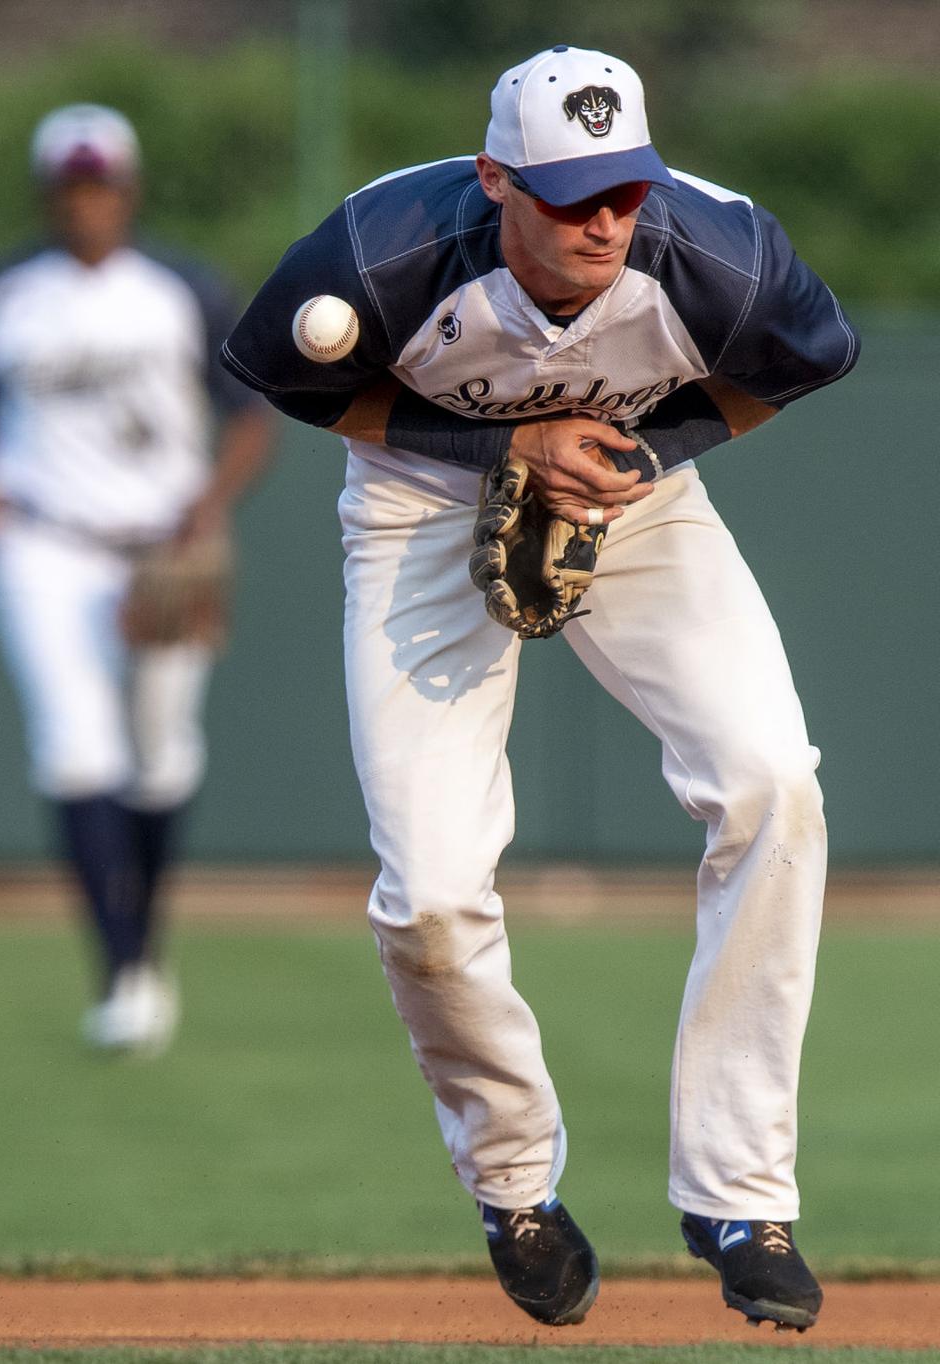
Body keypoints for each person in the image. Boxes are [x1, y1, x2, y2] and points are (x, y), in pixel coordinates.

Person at [222, 46, 858, 1330]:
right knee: (432, 894)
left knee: (772, 783)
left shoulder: (718, 254)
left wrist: (633, 450)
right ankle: (514, 1184)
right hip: (419, 506)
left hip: (640, 496)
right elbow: (286, 372)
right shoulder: (383, 252)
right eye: (571, 196)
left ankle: (741, 1195)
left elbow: (800, 362)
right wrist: (502, 444)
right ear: (494, 177)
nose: (606, 220)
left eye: (623, 187)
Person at [0, 104, 275, 1053]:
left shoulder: (180, 287)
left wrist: (210, 503)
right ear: (50, 194)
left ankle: (146, 949)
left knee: (161, 747)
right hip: (42, 541)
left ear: (127, 191)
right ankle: (122, 971)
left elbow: (249, 415)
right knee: (74, 744)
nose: (87, 202)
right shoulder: (3, 291)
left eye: (101, 185)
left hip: (160, 549)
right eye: (71, 186)